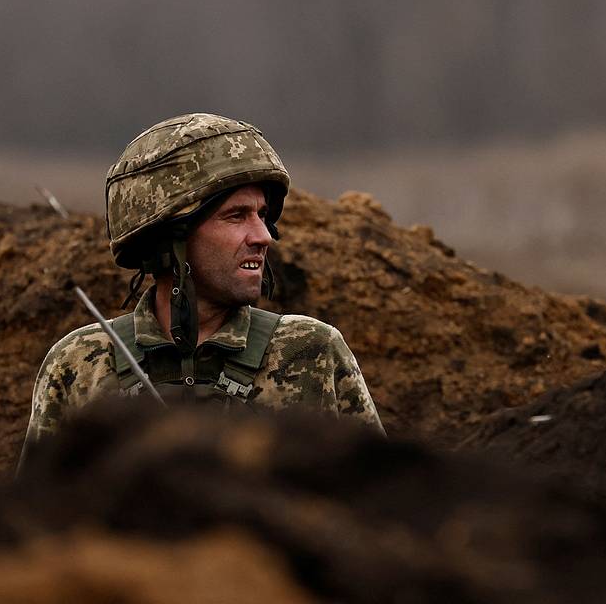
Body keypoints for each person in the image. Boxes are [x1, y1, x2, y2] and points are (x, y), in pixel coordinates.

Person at [19, 113, 384, 459]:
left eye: (262, 215)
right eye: (236, 216)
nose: (262, 237)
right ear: (169, 238)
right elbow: (35, 516)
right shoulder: (81, 364)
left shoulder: (310, 353)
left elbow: (385, 509)